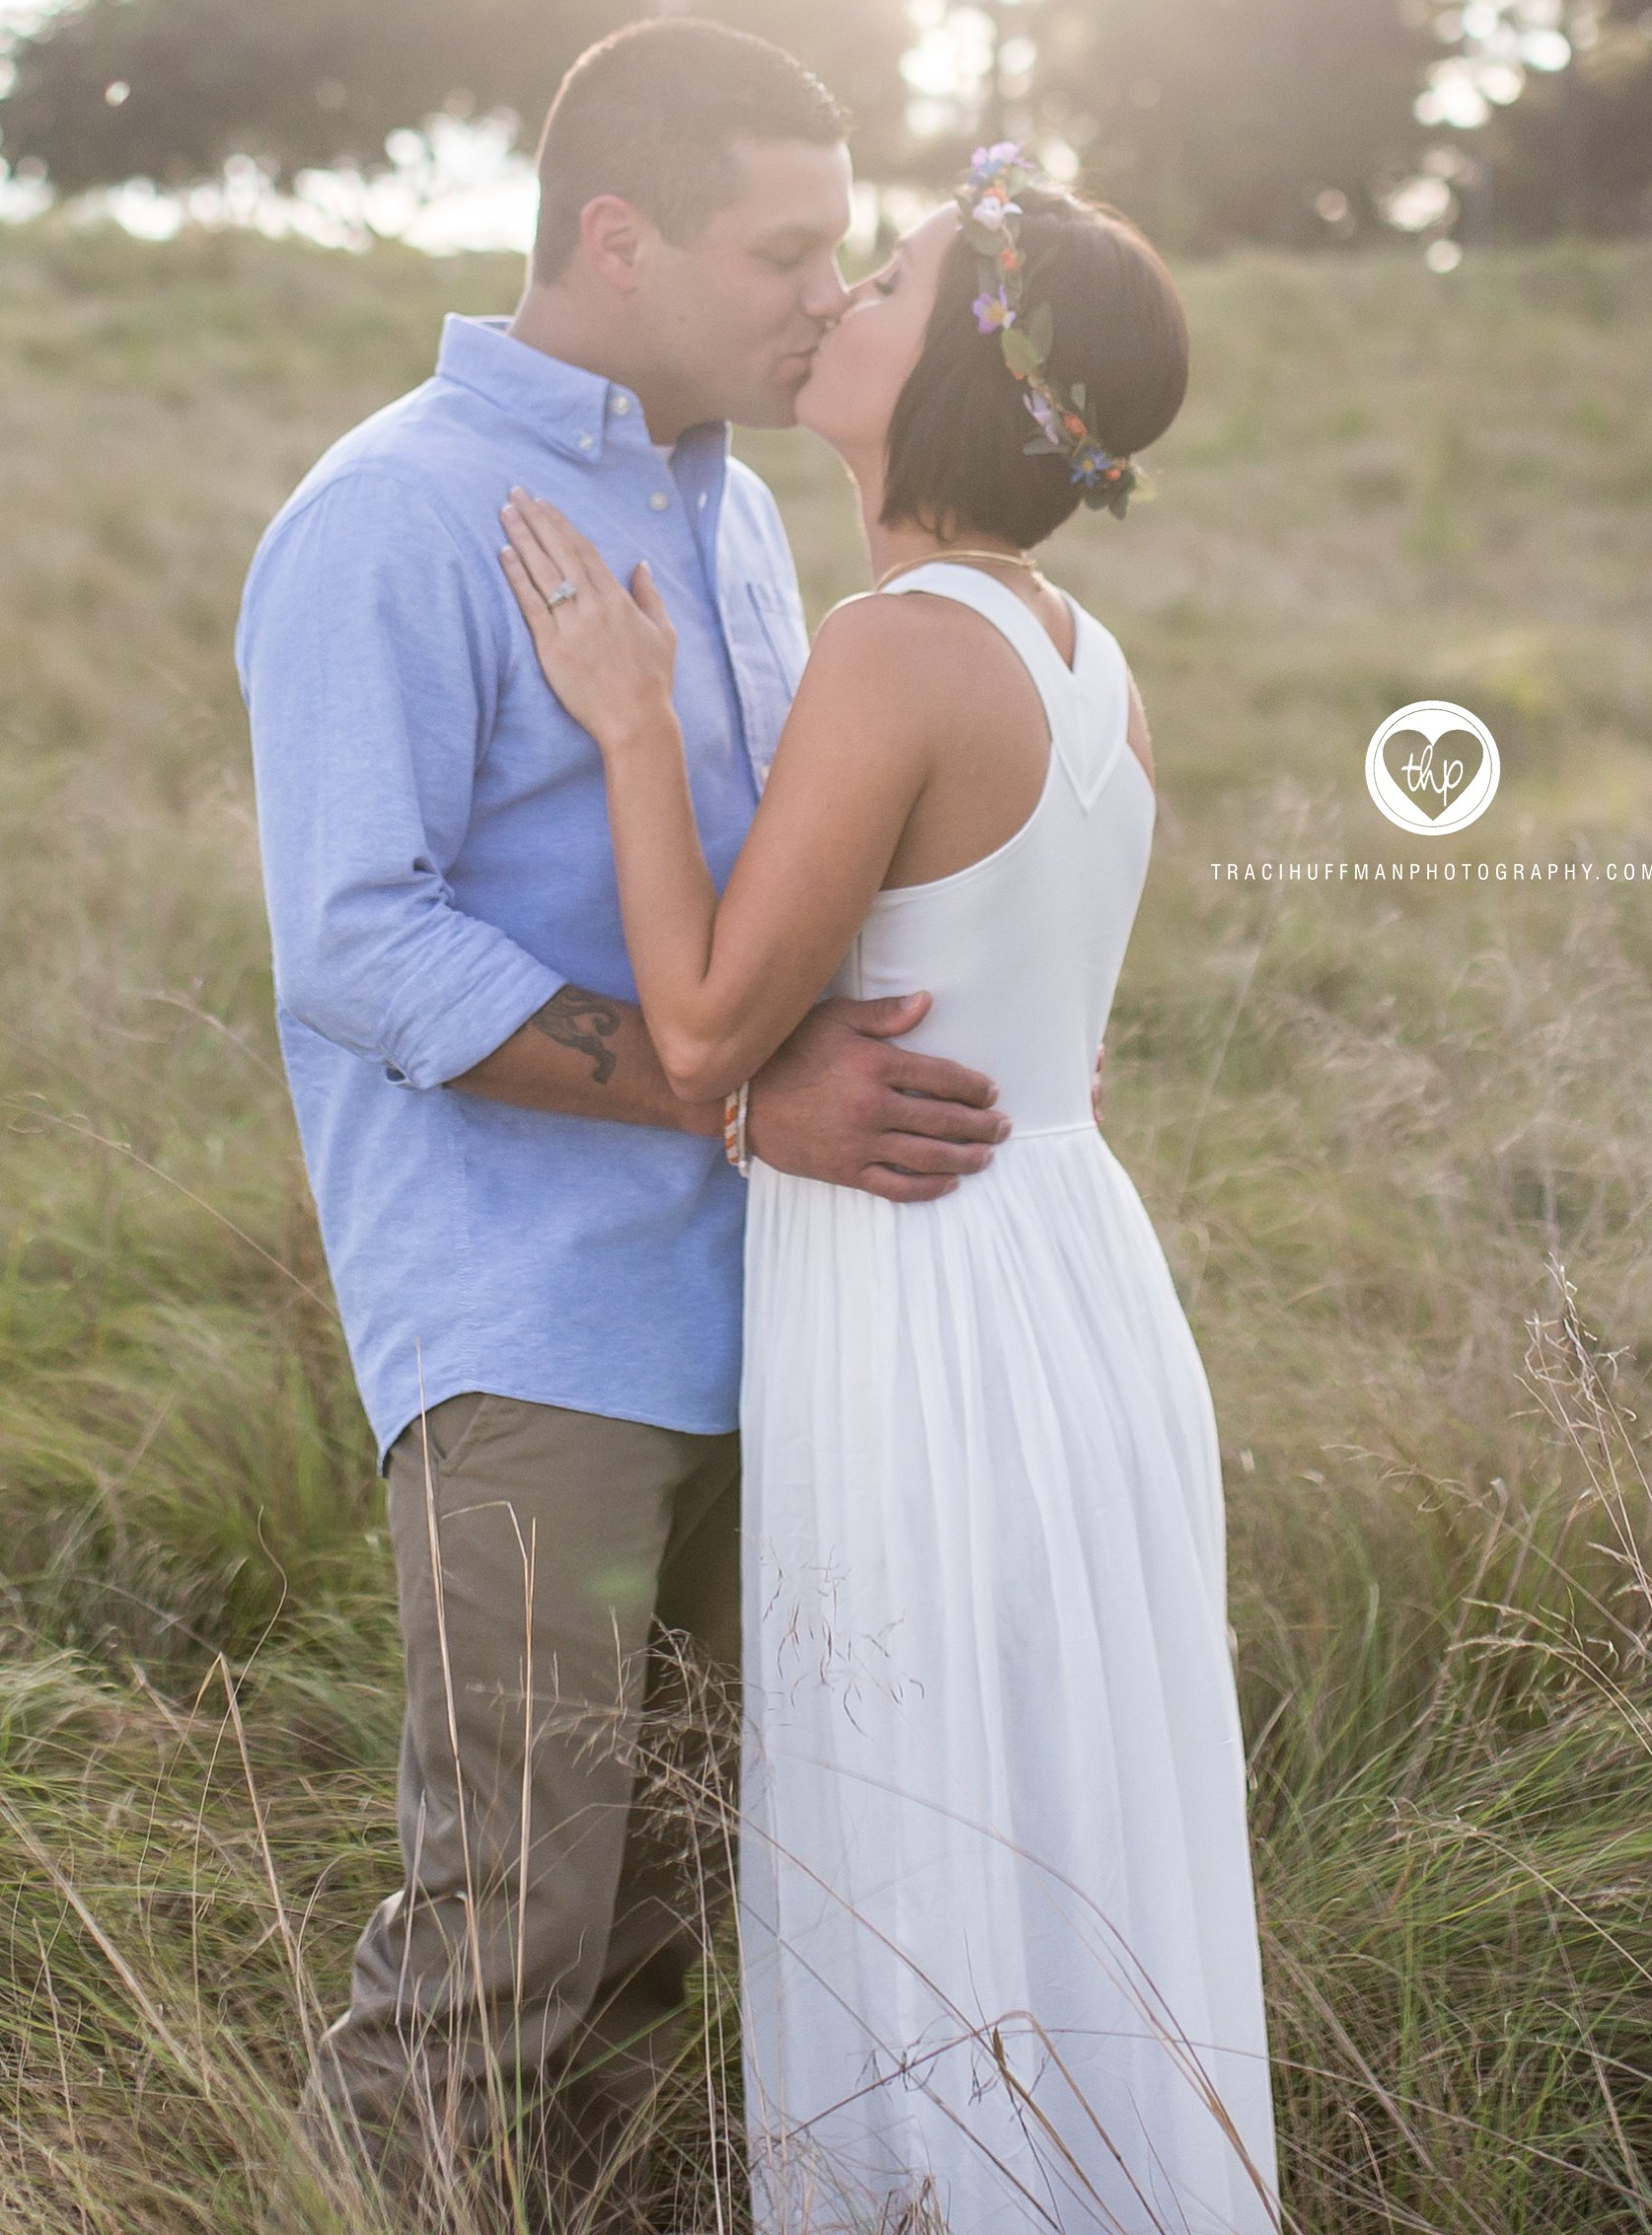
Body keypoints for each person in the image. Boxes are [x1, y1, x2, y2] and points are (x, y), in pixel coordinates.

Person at [235, 21, 1009, 2220]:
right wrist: (735, 1085)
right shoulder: (386, 515)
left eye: (841, 258)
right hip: (534, 1336)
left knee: (671, 1915)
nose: (823, 301)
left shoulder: (741, 514)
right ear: (616, 235)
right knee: (507, 1929)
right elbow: (357, 950)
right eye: (784, 251)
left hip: (770, 1311)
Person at [500, 152, 1279, 2234]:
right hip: (1069, 1275)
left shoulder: (896, 643)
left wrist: (633, 727)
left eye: (894, 280)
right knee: (1062, 1811)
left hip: (928, 1299)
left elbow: (698, 1030)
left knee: (927, 1812)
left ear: (955, 376)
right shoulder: (1079, 653)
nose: (841, 295)